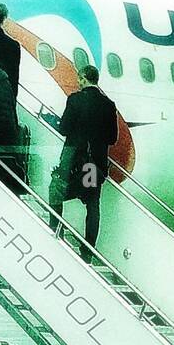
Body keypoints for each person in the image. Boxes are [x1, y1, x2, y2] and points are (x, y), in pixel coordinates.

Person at [48, 64, 119, 260]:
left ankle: (56, 232)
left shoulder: (75, 100)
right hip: (93, 165)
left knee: (56, 192)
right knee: (92, 203)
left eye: (79, 79)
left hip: (73, 162)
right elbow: (112, 138)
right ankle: (88, 250)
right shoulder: (108, 104)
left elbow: (64, 129)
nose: (78, 82)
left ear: (84, 78)